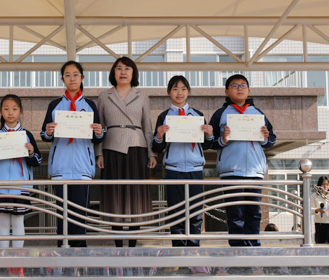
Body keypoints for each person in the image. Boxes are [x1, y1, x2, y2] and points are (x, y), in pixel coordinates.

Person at [41, 61, 104, 248]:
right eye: (67, 75)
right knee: (62, 216)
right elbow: (44, 135)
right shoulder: (54, 105)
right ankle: (62, 255)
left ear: (82, 78)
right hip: (60, 170)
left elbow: (98, 137)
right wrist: (49, 131)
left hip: (82, 169)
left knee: (80, 216)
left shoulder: (90, 105)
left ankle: (80, 257)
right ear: (62, 79)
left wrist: (99, 131)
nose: (72, 78)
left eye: (75, 75)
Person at [208, 74, 276, 247]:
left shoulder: (258, 113)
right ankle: (237, 250)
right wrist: (223, 139)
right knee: (235, 213)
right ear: (226, 91)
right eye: (234, 85)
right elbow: (208, 142)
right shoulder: (220, 114)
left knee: (254, 212)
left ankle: (253, 250)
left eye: (243, 85)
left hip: (255, 170)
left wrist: (265, 137)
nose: (239, 88)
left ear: (249, 90)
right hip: (231, 170)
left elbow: (271, 139)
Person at [96, 57, 157, 247]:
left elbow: (147, 126)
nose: (123, 72)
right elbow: (99, 127)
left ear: (133, 73)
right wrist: (99, 152)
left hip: (137, 147)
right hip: (111, 147)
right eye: (119, 68)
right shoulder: (104, 96)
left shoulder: (142, 95)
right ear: (113, 73)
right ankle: (117, 245)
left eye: (127, 68)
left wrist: (151, 153)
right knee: (114, 194)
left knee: (135, 195)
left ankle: (132, 244)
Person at [151, 75, 214, 247]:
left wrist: (209, 134)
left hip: (195, 169)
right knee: (176, 212)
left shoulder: (198, 115)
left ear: (188, 92)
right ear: (168, 92)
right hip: (173, 169)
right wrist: (159, 136)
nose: (179, 93)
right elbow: (157, 147)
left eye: (183, 89)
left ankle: (193, 249)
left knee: (195, 211)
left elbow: (206, 145)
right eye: (175, 89)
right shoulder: (164, 116)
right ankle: (178, 250)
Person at [0, 94, 42, 249]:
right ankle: (3, 256)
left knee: (18, 221)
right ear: (1, 112)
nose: (10, 112)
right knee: (2, 221)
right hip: (0, 185)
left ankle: (17, 257)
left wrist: (31, 152)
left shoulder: (27, 135)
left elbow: (37, 161)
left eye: (14, 109)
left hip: (20, 186)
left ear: (20, 112)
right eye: (6, 109)